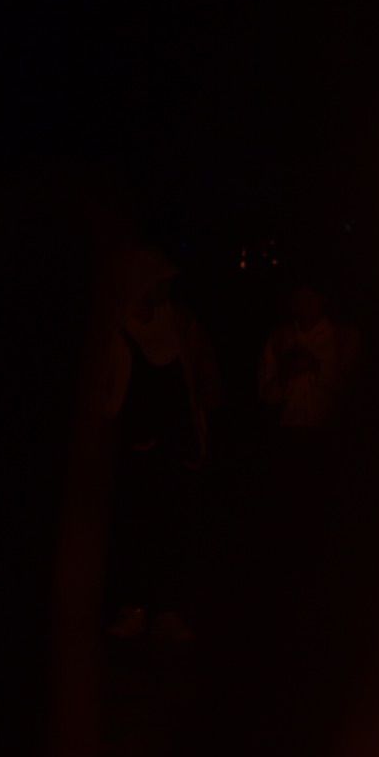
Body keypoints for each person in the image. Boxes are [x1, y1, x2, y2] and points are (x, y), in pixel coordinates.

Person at [102, 247, 220, 640]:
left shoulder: (180, 322)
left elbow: (202, 375)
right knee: (134, 528)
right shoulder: (114, 327)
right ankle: (134, 607)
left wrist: (202, 416)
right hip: (135, 451)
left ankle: (169, 609)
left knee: (176, 526)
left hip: (176, 445)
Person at [258, 276, 358, 431]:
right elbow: (266, 393)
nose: (304, 304)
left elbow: (350, 391)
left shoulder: (342, 337)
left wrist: (316, 366)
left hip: (332, 432)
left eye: (310, 298)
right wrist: (286, 373)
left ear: (323, 299)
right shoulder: (280, 338)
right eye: (299, 298)